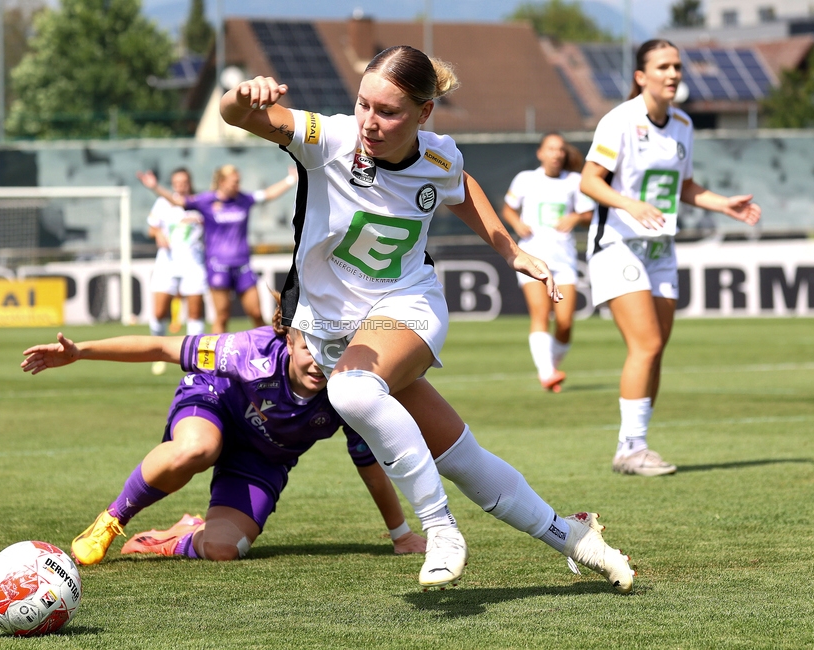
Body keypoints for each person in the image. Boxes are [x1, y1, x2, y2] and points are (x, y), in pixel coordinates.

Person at [219, 44, 635, 593]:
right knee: (461, 458)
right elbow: (238, 116)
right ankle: (575, 537)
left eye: (388, 111)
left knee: (351, 393)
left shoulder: (438, 157)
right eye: (364, 104)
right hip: (330, 330)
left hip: (407, 305)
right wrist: (242, 97)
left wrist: (511, 251)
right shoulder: (329, 137)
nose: (370, 121)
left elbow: (464, 191)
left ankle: (440, 531)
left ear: (423, 114)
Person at [20, 322, 427, 565]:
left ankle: (177, 537)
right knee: (198, 448)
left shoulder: (350, 389)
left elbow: (368, 464)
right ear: (289, 340)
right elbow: (164, 347)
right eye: (310, 347)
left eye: (334, 350)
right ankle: (112, 519)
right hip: (212, 403)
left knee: (222, 550)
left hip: (263, 457)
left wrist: (401, 534)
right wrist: (81, 352)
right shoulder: (248, 351)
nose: (321, 361)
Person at [579, 39, 761, 476]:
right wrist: (630, 205)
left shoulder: (682, 122)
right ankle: (629, 449)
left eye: (677, 65)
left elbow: (684, 187)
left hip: (661, 248)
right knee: (647, 344)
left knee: (656, 350)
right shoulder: (619, 120)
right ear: (641, 76)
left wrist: (722, 204)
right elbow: (589, 181)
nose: (673, 73)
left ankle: (636, 446)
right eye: (663, 66)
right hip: (618, 245)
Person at [138, 165, 298, 334]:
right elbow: (178, 201)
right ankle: (216, 358)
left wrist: (291, 179)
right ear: (221, 182)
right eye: (234, 182)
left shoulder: (244, 199)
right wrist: (155, 187)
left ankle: (267, 351)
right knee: (222, 316)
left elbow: (268, 194)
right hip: (217, 266)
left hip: (242, 265)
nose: (237, 185)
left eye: (238, 182)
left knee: (256, 313)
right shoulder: (206, 201)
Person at [502, 133, 595, 393]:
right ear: (540, 153)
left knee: (565, 324)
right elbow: (508, 208)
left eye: (560, 150)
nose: (556, 154)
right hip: (533, 258)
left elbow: (588, 214)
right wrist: (517, 223)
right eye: (551, 149)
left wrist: (575, 218)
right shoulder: (525, 179)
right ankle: (546, 373)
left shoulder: (574, 181)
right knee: (541, 313)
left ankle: (550, 365)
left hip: (564, 260)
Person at [145, 168, 208, 376]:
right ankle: (157, 354)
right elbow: (151, 228)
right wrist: (158, 235)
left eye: (184, 181)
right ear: (172, 184)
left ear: (190, 182)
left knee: (194, 313)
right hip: (167, 263)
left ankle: (193, 362)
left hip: (193, 263)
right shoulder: (162, 203)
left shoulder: (199, 203)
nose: (180, 185)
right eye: (177, 182)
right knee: (159, 313)